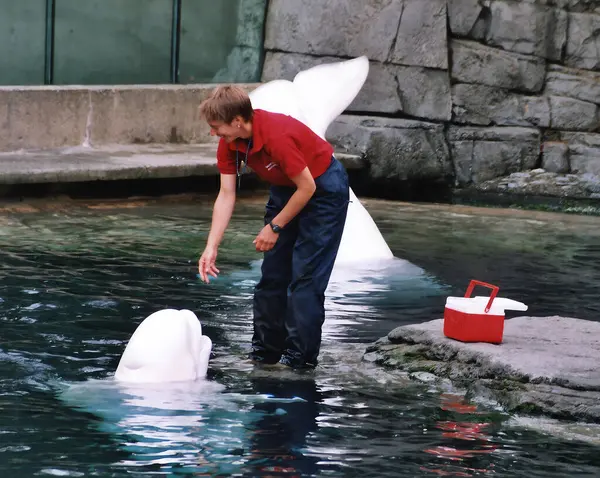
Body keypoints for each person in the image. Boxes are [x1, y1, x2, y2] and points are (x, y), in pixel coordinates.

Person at [197, 85, 349, 370]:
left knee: (304, 279)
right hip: (285, 190)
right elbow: (226, 194)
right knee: (272, 277)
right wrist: (211, 246)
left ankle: (298, 362)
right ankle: (265, 354)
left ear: (238, 122)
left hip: (323, 190)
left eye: (216, 127)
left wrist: (275, 228)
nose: (213, 133)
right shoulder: (231, 142)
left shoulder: (276, 135)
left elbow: (308, 187)